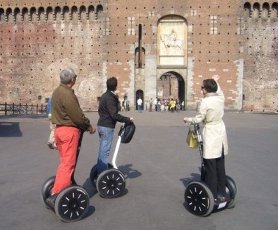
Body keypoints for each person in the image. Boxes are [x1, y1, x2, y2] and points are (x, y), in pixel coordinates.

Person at [46, 68, 96, 207]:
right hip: (69, 131)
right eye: (75, 77)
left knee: (64, 163)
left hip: (59, 130)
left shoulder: (56, 91)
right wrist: (88, 126)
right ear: (72, 79)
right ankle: (56, 194)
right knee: (68, 164)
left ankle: (64, 184)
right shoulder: (67, 94)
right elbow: (77, 116)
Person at [183, 76, 229, 203]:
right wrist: (216, 81)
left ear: (207, 89)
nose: (201, 90)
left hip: (211, 132)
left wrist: (187, 119)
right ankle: (222, 192)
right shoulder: (220, 98)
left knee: (210, 166)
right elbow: (219, 90)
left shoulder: (205, 102)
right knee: (220, 164)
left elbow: (199, 119)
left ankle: (212, 194)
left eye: (202, 88)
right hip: (221, 131)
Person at [94, 77, 133, 177]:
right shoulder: (110, 98)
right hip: (107, 127)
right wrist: (127, 119)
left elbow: (100, 110)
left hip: (101, 125)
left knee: (102, 149)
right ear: (115, 86)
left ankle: (99, 170)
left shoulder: (103, 96)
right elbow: (114, 115)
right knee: (105, 151)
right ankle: (102, 175)